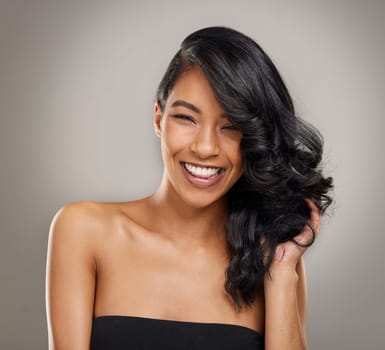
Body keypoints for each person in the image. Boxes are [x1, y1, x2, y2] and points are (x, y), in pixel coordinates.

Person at [45, 26, 333, 349]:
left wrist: (280, 274)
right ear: (158, 119)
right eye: (186, 118)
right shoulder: (83, 231)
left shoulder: (272, 257)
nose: (206, 147)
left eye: (231, 126)